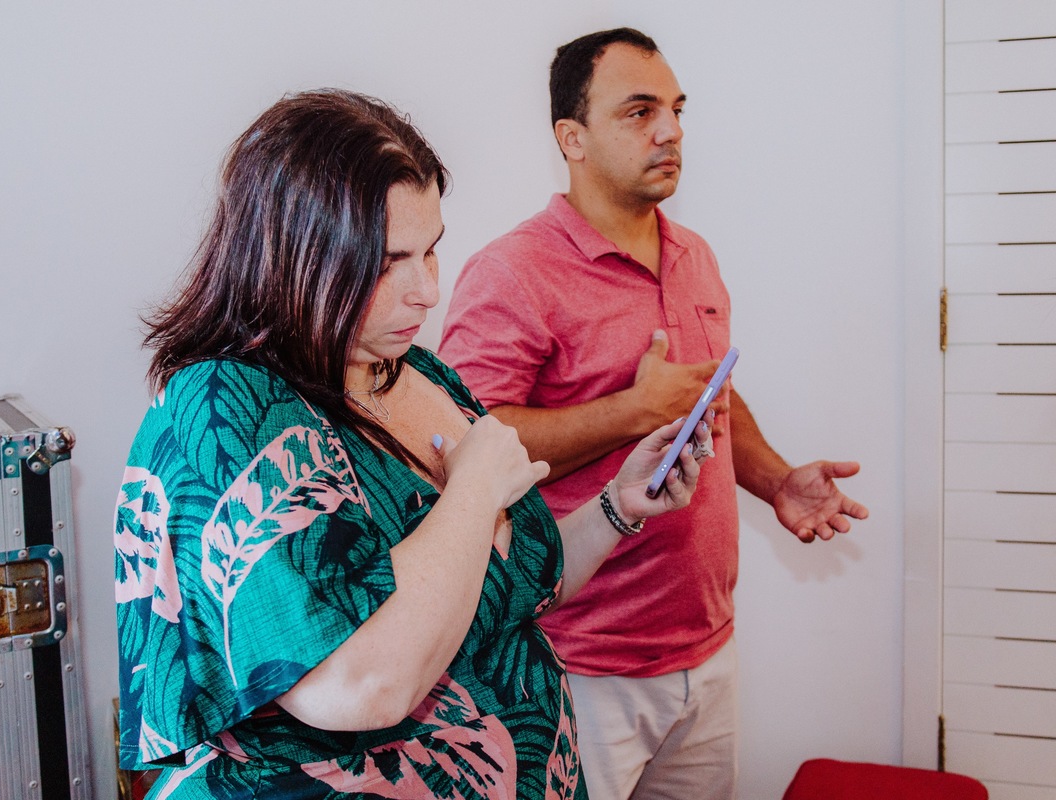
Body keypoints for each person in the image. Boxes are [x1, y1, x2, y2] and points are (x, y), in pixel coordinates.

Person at [113, 88, 713, 799]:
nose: (427, 291)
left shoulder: (416, 374)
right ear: (295, 257)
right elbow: (358, 684)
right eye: (389, 260)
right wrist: (475, 488)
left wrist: (619, 505)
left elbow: (512, 585)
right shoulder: (228, 404)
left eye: (430, 252)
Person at [439, 28, 870, 800]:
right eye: (639, 111)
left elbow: (708, 397)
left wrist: (776, 483)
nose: (670, 130)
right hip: (578, 664)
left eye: (675, 108)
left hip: (707, 655)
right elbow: (467, 448)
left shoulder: (693, 255)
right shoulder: (512, 271)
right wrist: (628, 411)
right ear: (571, 138)